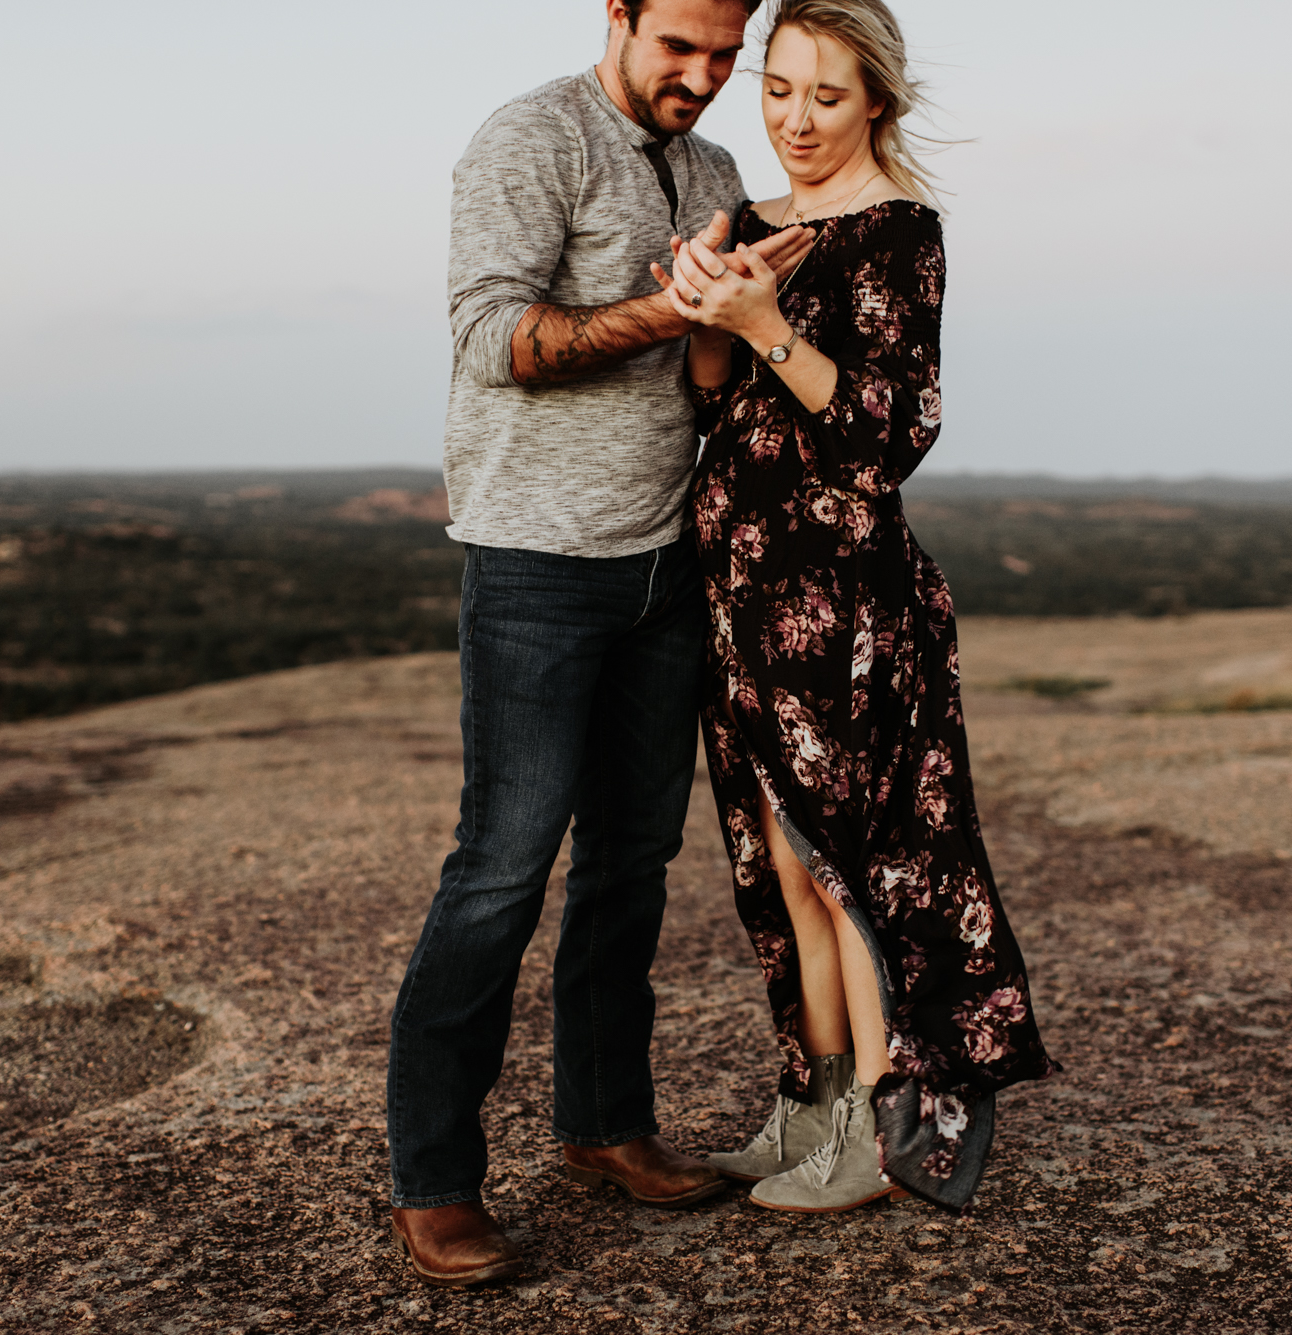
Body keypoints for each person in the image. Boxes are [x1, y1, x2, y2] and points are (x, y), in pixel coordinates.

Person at [385, 0, 818, 1290]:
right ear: (617, 16)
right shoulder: (531, 139)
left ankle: (602, 1125)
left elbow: (703, 377)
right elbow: (493, 344)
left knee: (631, 862)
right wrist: (663, 306)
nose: (701, 74)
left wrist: (731, 322)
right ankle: (434, 1181)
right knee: (501, 871)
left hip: (668, 566)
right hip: (534, 566)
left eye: (723, 52)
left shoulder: (717, 172)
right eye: (676, 43)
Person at [656, 0, 1061, 1215]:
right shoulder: (748, 219)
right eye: (775, 90)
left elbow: (887, 435)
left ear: (876, 99)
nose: (793, 119)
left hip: (839, 600)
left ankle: (883, 1132)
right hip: (738, 585)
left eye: (824, 98)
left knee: (848, 867)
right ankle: (813, 1105)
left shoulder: (899, 232)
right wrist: (706, 316)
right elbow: (710, 405)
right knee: (777, 865)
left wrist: (766, 323)